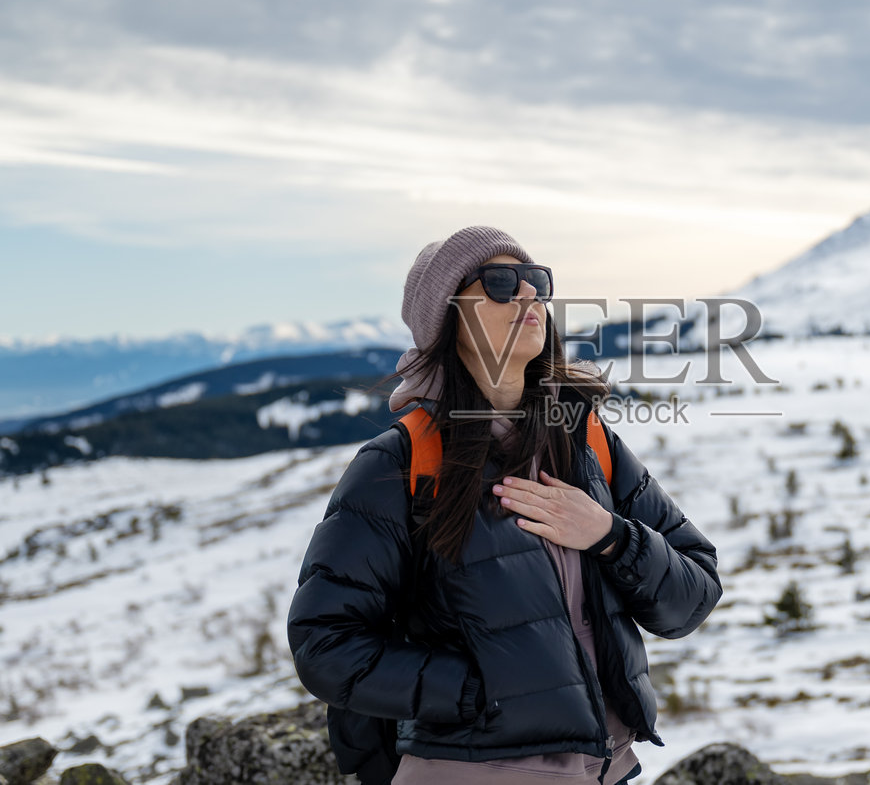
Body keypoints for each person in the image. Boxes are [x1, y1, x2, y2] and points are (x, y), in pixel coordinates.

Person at [287, 226, 723, 785]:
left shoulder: (586, 440)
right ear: (447, 319)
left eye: (535, 281)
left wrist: (610, 536)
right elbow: (325, 643)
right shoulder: (400, 462)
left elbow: (694, 595)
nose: (527, 296)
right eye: (498, 283)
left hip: (605, 769)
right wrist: (478, 692)